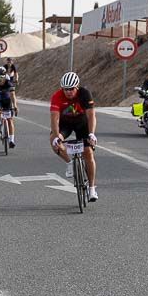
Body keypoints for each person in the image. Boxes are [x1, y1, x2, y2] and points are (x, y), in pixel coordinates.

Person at [50, 71, 98, 202]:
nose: (68, 92)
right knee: (53, 142)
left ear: (77, 87)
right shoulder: (57, 96)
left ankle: (92, 188)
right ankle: (70, 163)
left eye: (71, 89)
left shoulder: (84, 94)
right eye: (66, 89)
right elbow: (54, 119)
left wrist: (91, 134)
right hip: (65, 124)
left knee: (88, 152)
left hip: (82, 123)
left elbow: (91, 115)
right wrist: (56, 137)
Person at [0, 66, 18, 148]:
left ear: (5, 76)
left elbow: (13, 95)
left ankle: (12, 140)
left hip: (7, 99)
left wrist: (15, 105)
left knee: (10, 120)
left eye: (2, 77)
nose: (0, 79)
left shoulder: (9, 83)